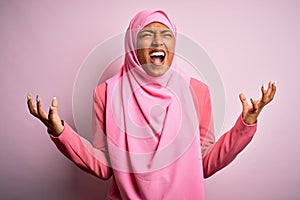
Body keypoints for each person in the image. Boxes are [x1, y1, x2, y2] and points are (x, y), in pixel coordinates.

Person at [27, 10, 276, 200]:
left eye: (166, 34)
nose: (159, 40)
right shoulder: (106, 93)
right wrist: (60, 131)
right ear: (133, 44)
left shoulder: (197, 92)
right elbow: (104, 166)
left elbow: (204, 163)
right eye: (147, 34)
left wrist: (245, 125)